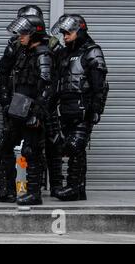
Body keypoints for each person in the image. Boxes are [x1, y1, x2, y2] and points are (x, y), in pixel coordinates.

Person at [0, 5, 63, 202]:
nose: (20, 36)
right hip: (17, 108)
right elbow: (4, 72)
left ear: (34, 34)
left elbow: (48, 87)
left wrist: (37, 113)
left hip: (31, 110)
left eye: (23, 33)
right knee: (1, 147)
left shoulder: (43, 54)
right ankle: (7, 190)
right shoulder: (23, 52)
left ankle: (34, 193)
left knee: (31, 151)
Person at [51, 14, 108, 201]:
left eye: (68, 32)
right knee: (70, 148)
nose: (65, 36)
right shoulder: (65, 52)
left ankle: (74, 187)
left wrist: (96, 110)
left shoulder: (92, 51)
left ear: (80, 30)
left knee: (75, 147)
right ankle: (78, 189)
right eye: (63, 33)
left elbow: (99, 85)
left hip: (83, 108)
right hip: (65, 109)